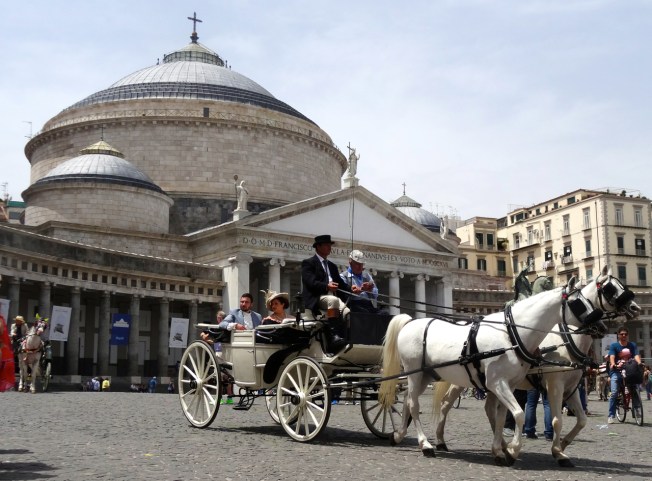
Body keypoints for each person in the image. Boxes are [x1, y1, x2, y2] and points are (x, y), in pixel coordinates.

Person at [301, 234, 352, 353]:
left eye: (330, 245)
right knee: (332, 301)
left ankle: (346, 337)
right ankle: (333, 336)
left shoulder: (332, 266)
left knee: (347, 312)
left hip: (331, 297)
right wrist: (326, 286)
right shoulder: (309, 263)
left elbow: (340, 284)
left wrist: (353, 289)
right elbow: (310, 282)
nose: (330, 247)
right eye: (327, 245)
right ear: (318, 247)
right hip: (317, 297)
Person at [607, 326, 642, 423]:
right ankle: (611, 415)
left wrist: (639, 363)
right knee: (614, 393)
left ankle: (637, 409)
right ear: (618, 335)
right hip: (616, 370)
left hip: (630, 370)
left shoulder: (632, 345)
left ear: (627, 335)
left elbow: (636, 355)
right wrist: (613, 364)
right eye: (622, 334)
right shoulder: (614, 345)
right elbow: (612, 356)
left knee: (635, 390)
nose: (624, 336)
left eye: (625, 334)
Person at [0, 313, 16, 392]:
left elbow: (25, 332)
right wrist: (13, 334)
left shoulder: (24, 326)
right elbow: (11, 331)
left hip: (21, 338)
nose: (18, 322)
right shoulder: (13, 326)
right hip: (14, 338)